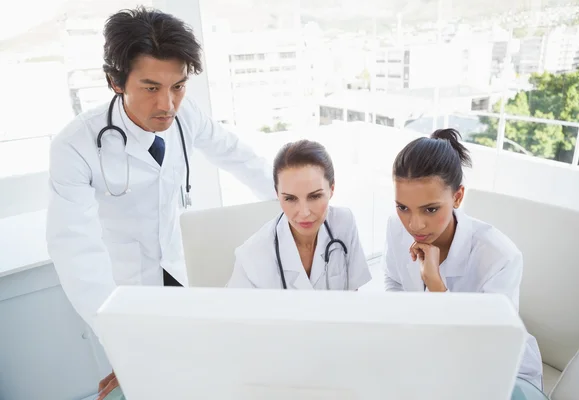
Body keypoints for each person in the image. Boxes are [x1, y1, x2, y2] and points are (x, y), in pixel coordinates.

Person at [45, 7, 274, 399]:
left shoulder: (186, 117)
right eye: (151, 88)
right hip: (124, 293)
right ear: (115, 81)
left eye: (179, 86)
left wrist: (294, 203)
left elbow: (239, 157)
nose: (168, 104)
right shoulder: (76, 146)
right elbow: (75, 251)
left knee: (205, 379)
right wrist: (119, 338)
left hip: (184, 276)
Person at [381, 129, 544, 389]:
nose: (415, 224)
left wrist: (435, 284)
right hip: (433, 356)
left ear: (457, 197)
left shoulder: (500, 257)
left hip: (500, 371)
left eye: (430, 209)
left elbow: (485, 346)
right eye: (403, 207)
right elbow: (394, 280)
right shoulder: (395, 226)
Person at [227, 140, 372, 290]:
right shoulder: (251, 256)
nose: (304, 213)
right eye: (290, 198)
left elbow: (353, 297)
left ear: (332, 189)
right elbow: (237, 312)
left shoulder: (344, 222)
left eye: (315, 196)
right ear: (277, 194)